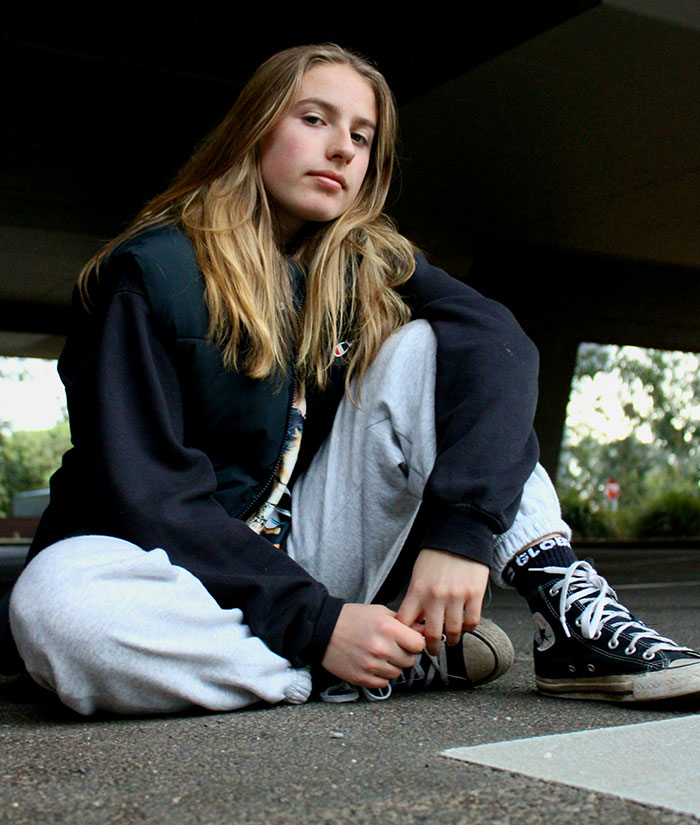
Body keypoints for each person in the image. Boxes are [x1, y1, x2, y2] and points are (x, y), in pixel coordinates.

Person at [2, 44, 698, 715]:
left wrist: (462, 531)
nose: (342, 149)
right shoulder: (150, 274)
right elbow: (150, 498)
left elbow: (497, 341)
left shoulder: (363, 263)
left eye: (362, 137)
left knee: (436, 349)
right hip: (170, 567)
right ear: (253, 129)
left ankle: (567, 614)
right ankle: (368, 659)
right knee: (57, 612)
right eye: (315, 119)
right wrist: (318, 624)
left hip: (309, 551)